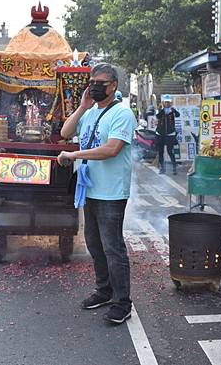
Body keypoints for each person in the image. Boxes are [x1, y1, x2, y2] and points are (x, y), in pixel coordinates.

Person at [57, 63, 137, 325]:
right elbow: (65, 133)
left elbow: (111, 149)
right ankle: (104, 290)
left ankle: (122, 302)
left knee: (113, 247)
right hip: (89, 190)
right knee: (94, 243)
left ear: (113, 85)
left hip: (111, 193)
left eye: (100, 82)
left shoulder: (123, 114)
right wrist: (82, 107)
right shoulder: (90, 113)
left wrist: (74, 155)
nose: (94, 86)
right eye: (91, 82)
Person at [156, 94, 180, 175]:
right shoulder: (160, 110)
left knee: (170, 151)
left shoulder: (172, 110)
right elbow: (157, 116)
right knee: (160, 152)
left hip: (170, 134)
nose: (167, 104)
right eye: (165, 102)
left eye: (168, 102)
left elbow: (178, 115)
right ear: (163, 103)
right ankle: (162, 168)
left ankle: (174, 168)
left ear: (171, 103)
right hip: (160, 134)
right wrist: (161, 110)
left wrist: (173, 110)